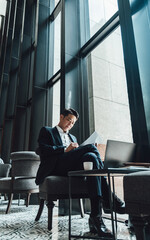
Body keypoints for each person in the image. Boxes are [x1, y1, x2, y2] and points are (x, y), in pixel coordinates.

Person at [35, 108, 125, 238]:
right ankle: (110, 198)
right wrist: (65, 149)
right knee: (91, 148)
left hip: (72, 167)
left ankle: (96, 217)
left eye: (72, 123)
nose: (70, 124)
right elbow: (43, 150)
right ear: (61, 117)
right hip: (56, 166)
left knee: (91, 157)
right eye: (68, 120)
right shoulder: (47, 131)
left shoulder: (72, 137)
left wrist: (73, 150)